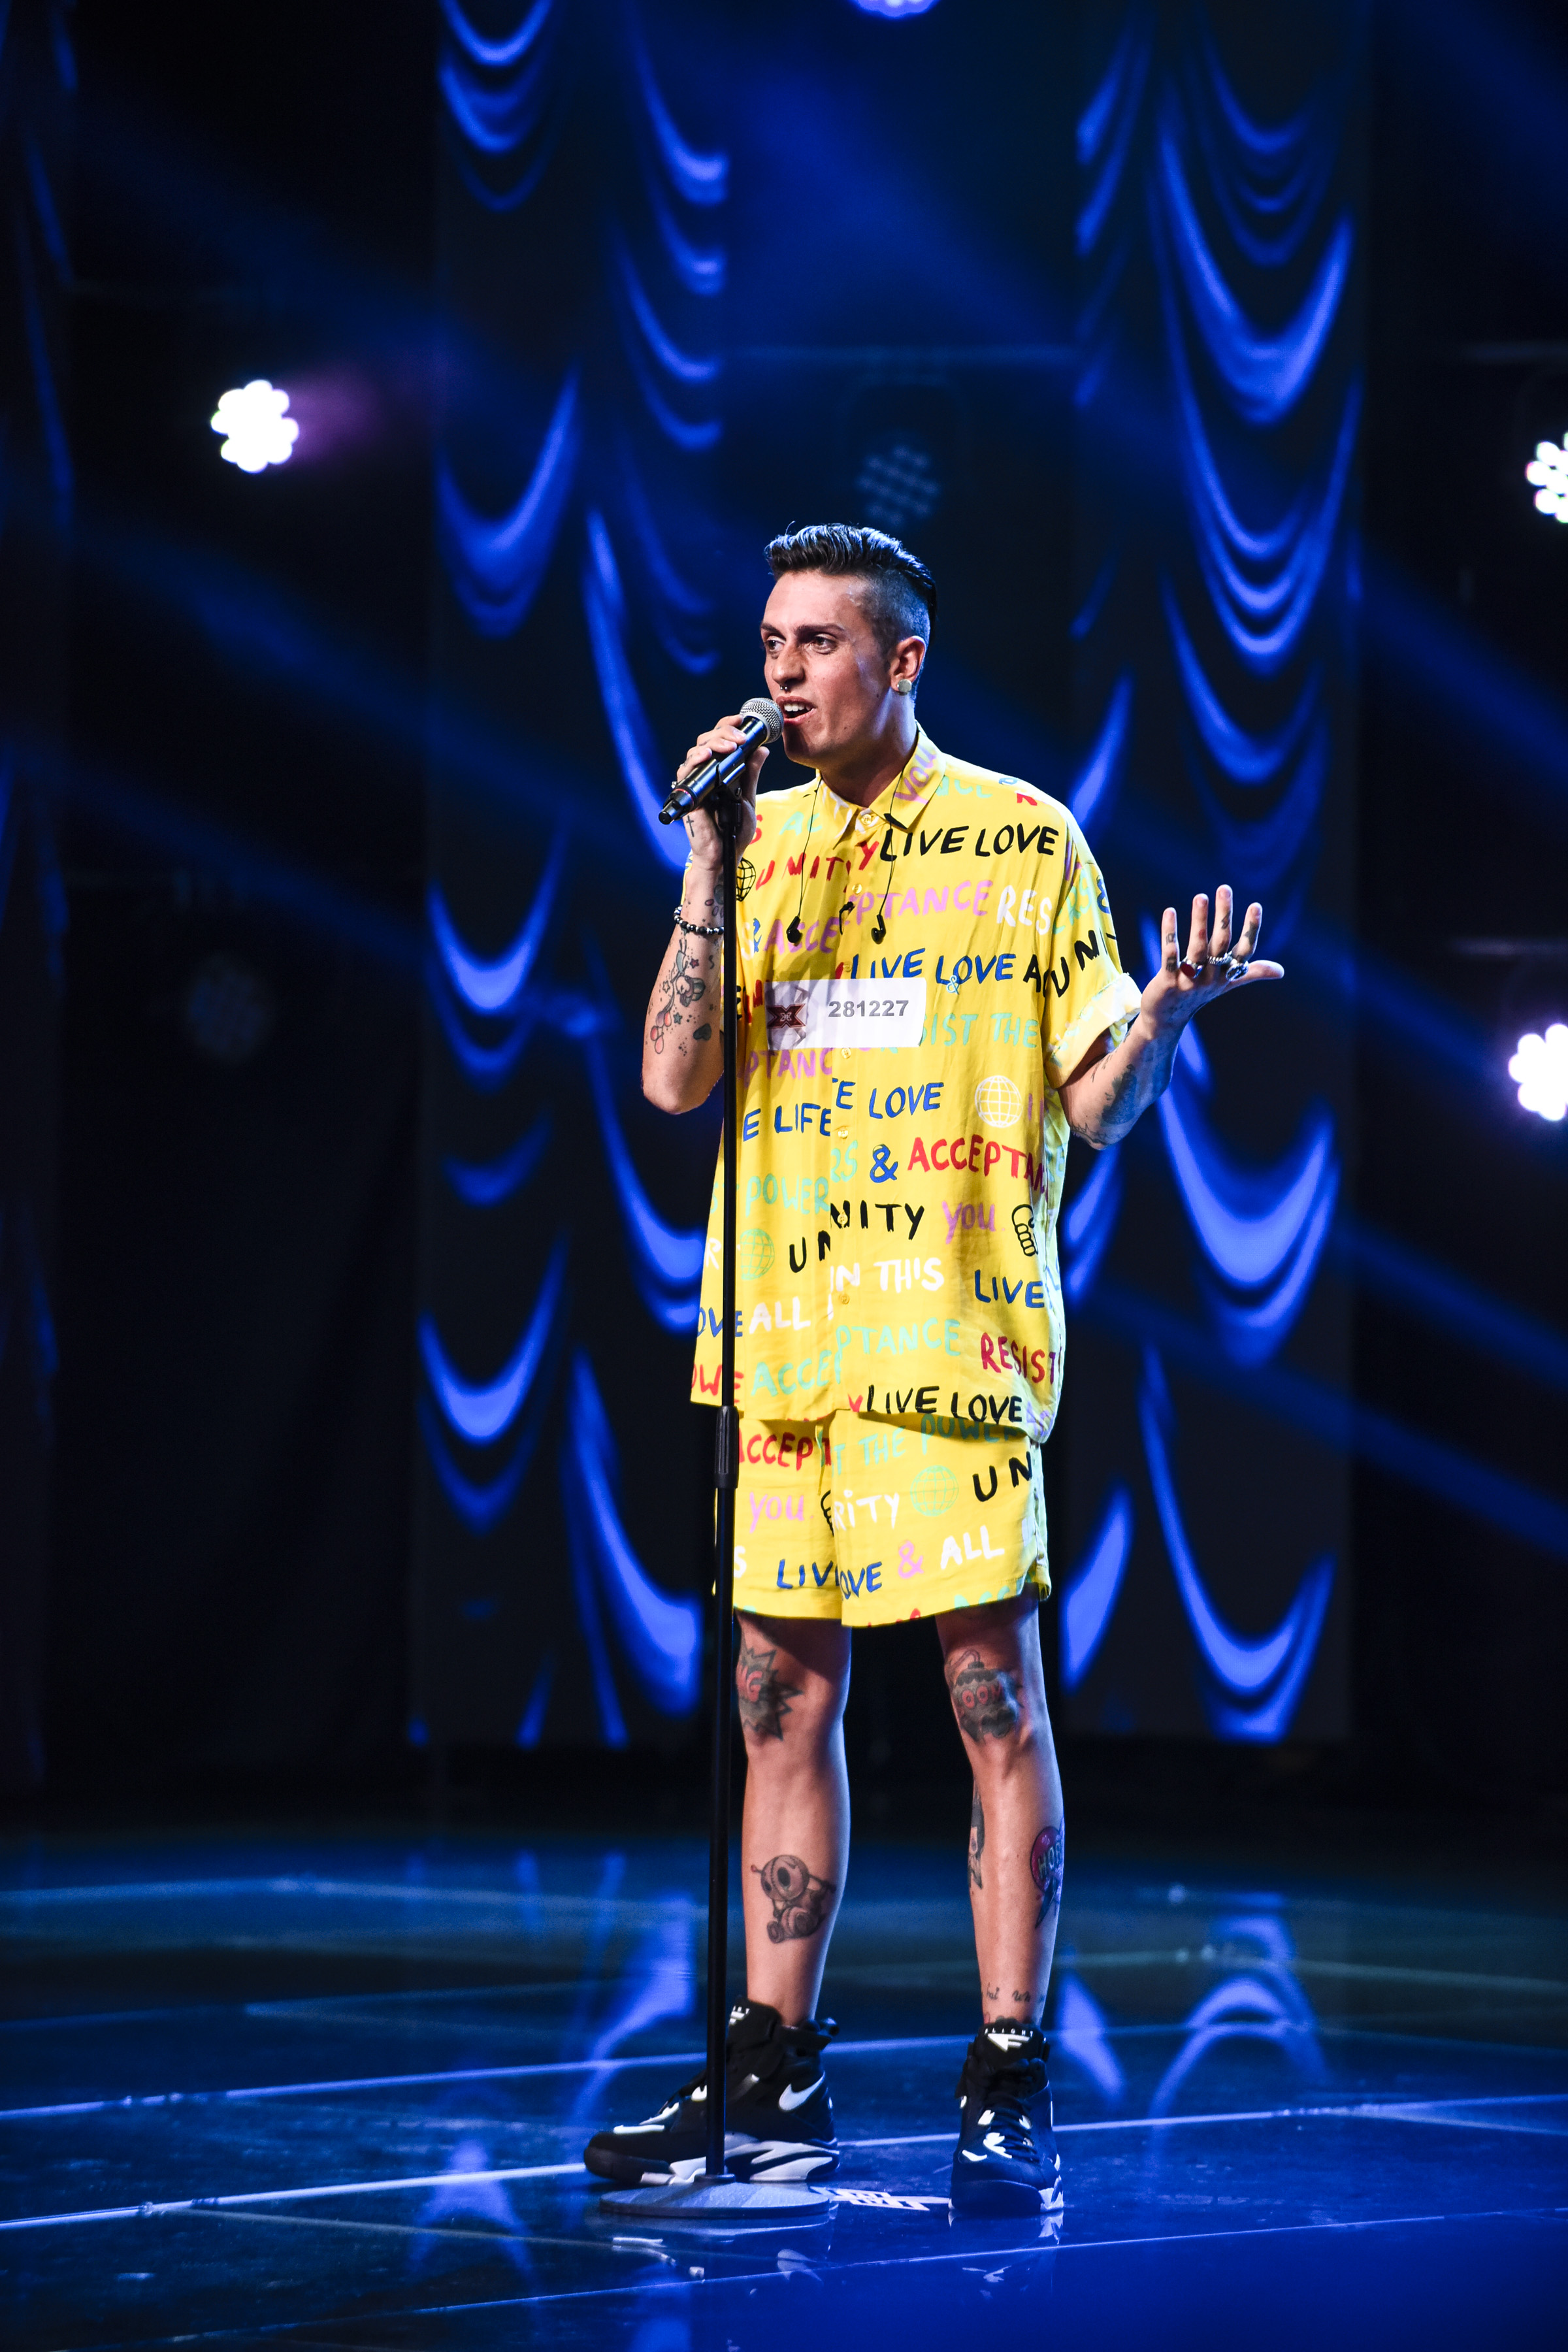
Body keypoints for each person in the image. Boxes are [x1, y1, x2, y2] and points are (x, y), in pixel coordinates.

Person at [583, 523, 1281, 2217]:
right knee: (777, 1707)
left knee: (991, 1704)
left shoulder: (1023, 837)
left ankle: (1007, 2077)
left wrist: (1162, 1020)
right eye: (771, 644)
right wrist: (707, 856)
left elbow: (1095, 1102)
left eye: (818, 645)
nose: (784, 676)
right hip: (785, 1353)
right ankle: (773, 2076)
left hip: (948, 1342)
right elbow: (673, 1079)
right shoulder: (753, 845)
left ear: (901, 661)